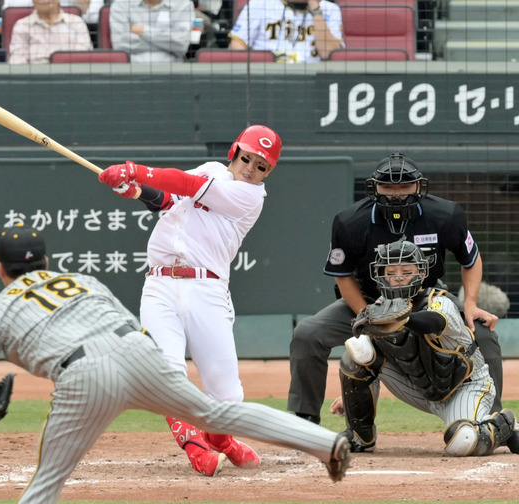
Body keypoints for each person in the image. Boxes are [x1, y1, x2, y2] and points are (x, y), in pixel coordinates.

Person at [0, 225, 351, 503]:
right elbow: (127, 324)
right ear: (47, 262)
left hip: (82, 375)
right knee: (217, 413)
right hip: (138, 351)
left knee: (47, 482)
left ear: (0, 268)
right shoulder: (82, 281)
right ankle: (326, 444)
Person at [97, 125, 284, 476]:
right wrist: (137, 190)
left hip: (207, 290)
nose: (251, 169)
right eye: (247, 158)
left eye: (261, 166)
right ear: (235, 152)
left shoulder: (251, 197)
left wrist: (135, 171)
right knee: (166, 371)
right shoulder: (211, 169)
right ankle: (193, 441)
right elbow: (170, 200)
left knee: (228, 397)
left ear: (267, 172)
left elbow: (186, 186)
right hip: (160, 285)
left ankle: (222, 439)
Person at [289, 152, 505, 426]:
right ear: (374, 188)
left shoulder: (445, 215)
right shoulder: (350, 221)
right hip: (368, 300)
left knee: (483, 333)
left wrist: (471, 304)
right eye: (388, 187)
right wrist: (368, 317)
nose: (396, 194)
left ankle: (492, 417)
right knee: (307, 334)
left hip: (427, 299)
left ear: (418, 186)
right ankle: (305, 420)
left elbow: (471, 260)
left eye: (403, 187)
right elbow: (342, 276)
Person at [332, 239, 519, 456]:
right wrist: (351, 396)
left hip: (464, 386)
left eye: (406, 270)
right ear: (381, 276)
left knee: (463, 441)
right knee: (357, 350)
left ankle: (503, 425)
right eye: (391, 272)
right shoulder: (380, 308)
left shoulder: (440, 301)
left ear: (421, 273)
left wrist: (403, 320)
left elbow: (434, 322)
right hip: (422, 390)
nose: (398, 276)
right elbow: (369, 361)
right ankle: (359, 437)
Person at [228, 0, 343, 63]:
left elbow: (328, 53)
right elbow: (236, 46)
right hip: (267, 76)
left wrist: (316, 11)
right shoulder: (258, 4)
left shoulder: (330, 9)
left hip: (313, 78)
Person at [8, 0, 93, 64]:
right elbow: (17, 63)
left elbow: (83, 59)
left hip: (70, 79)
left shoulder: (76, 23)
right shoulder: (22, 26)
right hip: (34, 81)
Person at [109, 0, 193, 63]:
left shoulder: (183, 4)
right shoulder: (120, 4)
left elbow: (181, 45)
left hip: (172, 71)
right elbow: (119, 44)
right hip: (130, 71)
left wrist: (144, 32)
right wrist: (167, 44)